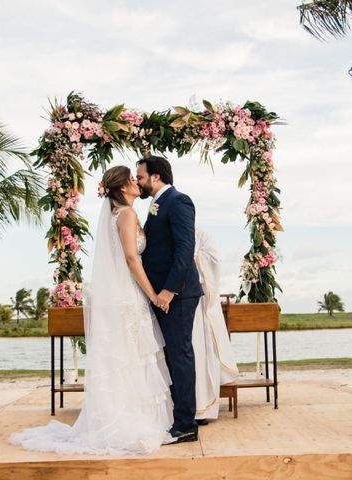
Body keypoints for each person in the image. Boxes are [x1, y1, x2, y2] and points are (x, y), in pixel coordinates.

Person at [10, 166, 173, 455]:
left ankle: (127, 416)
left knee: (129, 358)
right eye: (132, 180)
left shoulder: (118, 215)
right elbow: (132, 260)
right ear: (123, 188)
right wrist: (152, 295)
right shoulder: (126, 215)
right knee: (131, 359)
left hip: (123, 296)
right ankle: (128, 421)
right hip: (129, 298)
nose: (137, 182)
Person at [136, 155, 203, 444]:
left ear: (156, 177)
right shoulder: (156, 206)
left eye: (140, 176)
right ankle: (176, 417)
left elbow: (185, 249)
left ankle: (186, 423)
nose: (137, 181)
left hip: (178, 294)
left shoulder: (179, 201)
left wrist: (168, 291)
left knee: (181, 356)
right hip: (162, 295)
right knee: (171, 358)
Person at [193, 228, 238, 421]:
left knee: (204, 352)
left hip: (202, 300)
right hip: (179, 298)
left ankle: (204, 406)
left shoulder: (202, 234)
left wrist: (191, 255)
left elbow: (213, 260)